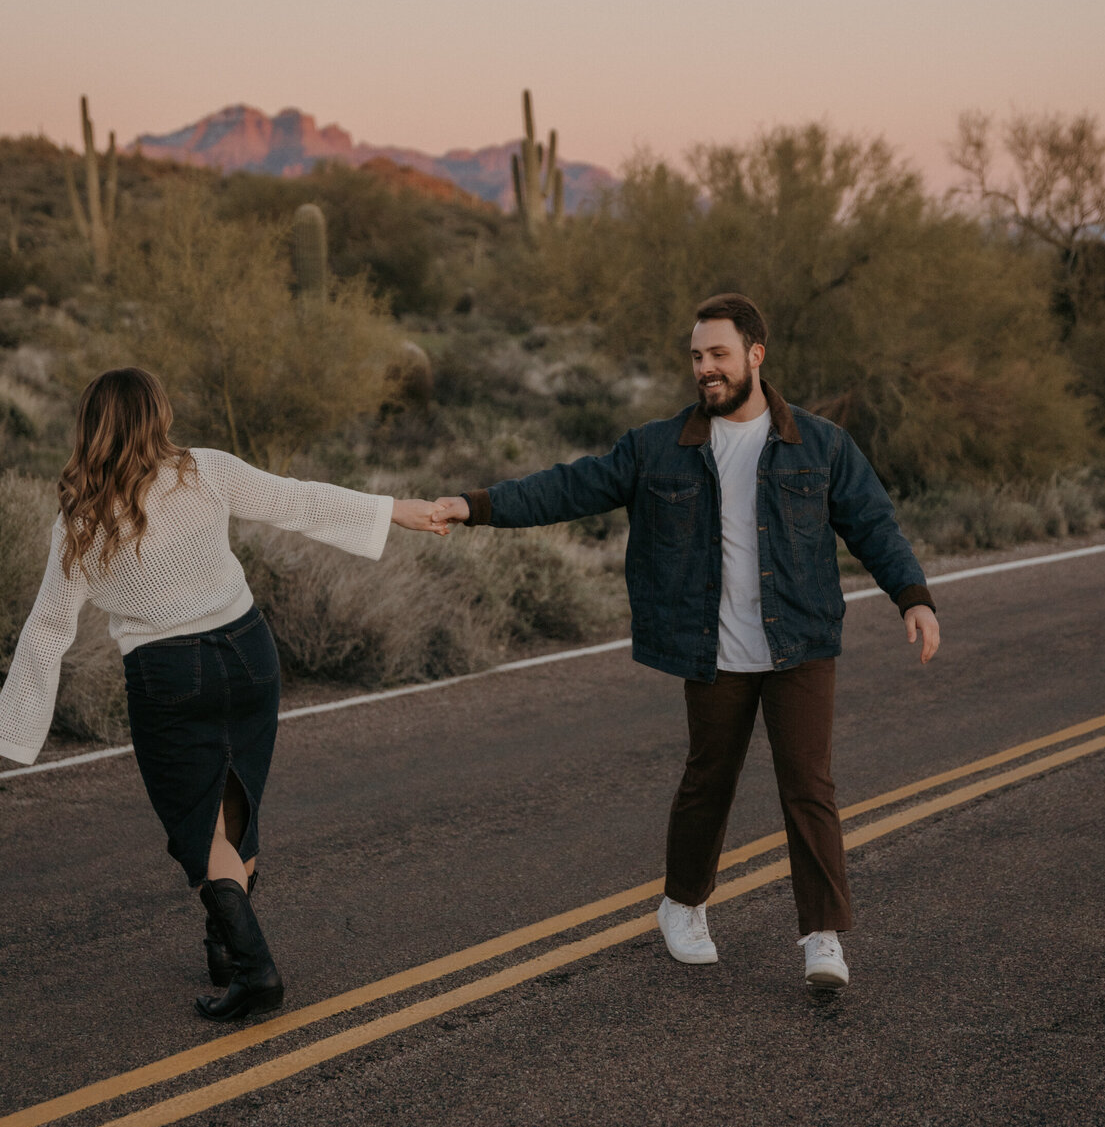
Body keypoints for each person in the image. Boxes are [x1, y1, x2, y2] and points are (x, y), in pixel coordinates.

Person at [432, 293, 939, 990]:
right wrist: (476, 506)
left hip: (799, 642)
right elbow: (571, 487)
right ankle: (682, 906)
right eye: (697, 357)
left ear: (755, 355)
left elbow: (873, 523)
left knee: (809, 785)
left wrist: (912, 597)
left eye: (719, 355)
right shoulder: (657, 448)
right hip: (715, 649)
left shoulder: (819, 444)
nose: (706, 369)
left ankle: (822, 936)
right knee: (710, 780)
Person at [0, 367, 447, 1021]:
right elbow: (298, 501)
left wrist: (12, 733)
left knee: (194, 828)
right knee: (235, 798)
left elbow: (48, 628)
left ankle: (257, 972)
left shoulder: (80, 519)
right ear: (159, 416)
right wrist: (394, 511)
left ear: (90, 428)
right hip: (248, 654)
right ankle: (224, 944)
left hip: (168, 675)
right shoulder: (203, 470)